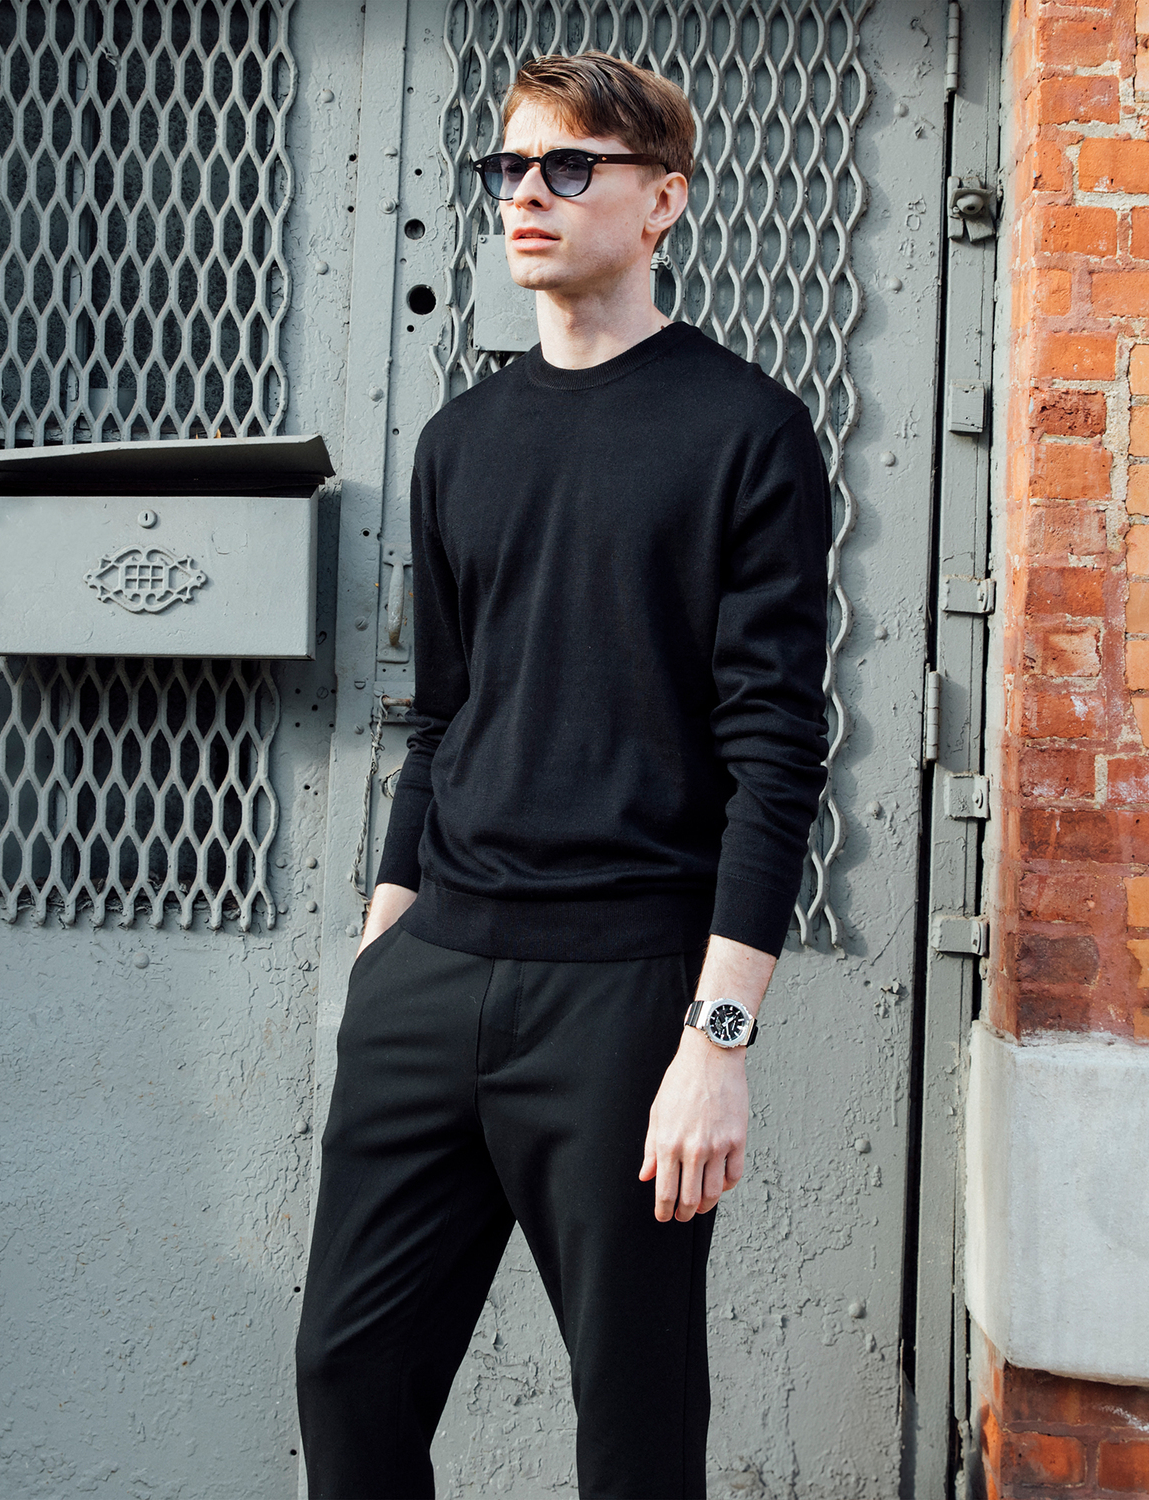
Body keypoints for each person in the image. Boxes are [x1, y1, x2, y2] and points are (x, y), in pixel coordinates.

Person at [295, 51, 829, 1500]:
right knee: (346, 1379)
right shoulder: (463, 439)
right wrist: (385, 939)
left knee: (634, 1421)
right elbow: (442, 717)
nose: (527, 193)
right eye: (511, 167)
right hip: (433, 973)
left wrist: (717, 1042)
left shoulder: (747, 432)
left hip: (623, 998)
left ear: (663, 201)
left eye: (570, 165)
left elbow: (777, 749)